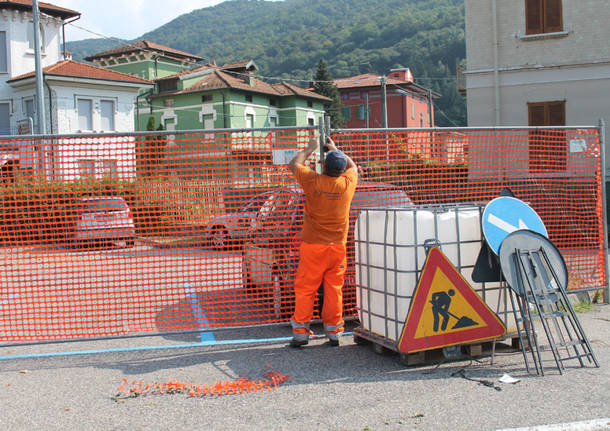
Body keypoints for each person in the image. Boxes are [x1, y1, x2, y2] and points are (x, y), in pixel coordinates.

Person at [287, 134, 358, 347]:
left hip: (313, 246)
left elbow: (294, 164)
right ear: (341, 169)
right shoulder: (347, 183)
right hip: (337, 246)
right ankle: (335, 332)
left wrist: (310, 148)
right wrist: (336, 149)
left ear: (323, 166)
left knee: (306, 288)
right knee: (334, 288)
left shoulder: (312, 180)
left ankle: (301, 334)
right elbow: (352, 165)